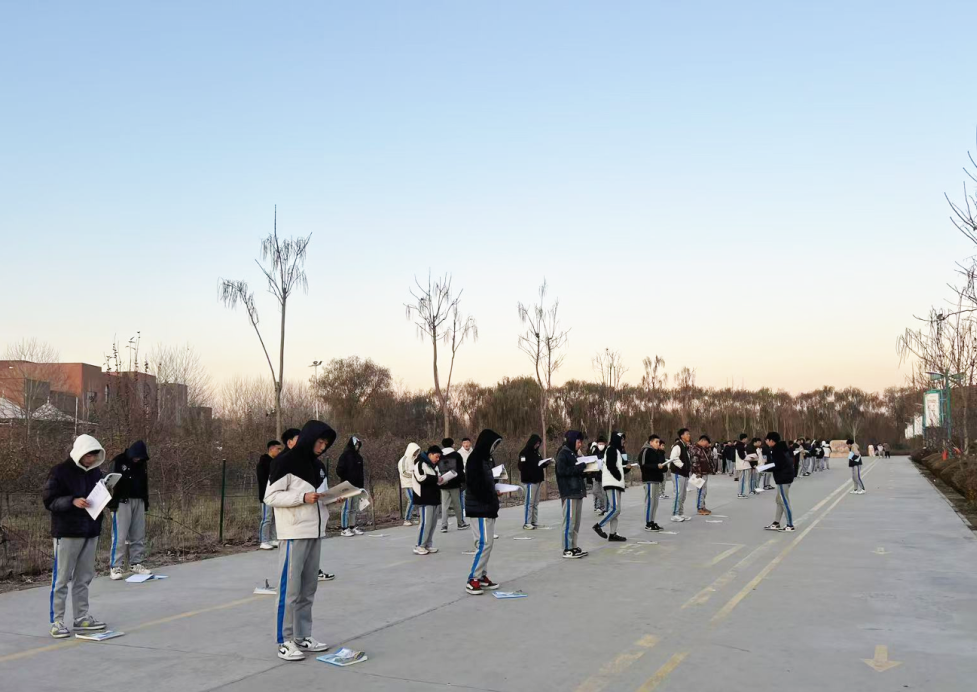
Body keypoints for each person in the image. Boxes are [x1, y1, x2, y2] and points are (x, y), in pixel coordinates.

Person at [264, 419, 336, 661]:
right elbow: (270, 497)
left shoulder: (317, 466)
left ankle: (303, 635)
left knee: (308, 588)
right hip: (294, 533)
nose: (323, 446)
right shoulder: (285, 462)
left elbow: (318, 496)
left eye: (326, 443)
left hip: (315, 531)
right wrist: (302, 497)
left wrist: (333, 498)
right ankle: (284, 640)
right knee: (290, 590)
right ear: (309, 437)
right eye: (320, 441)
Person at [43, 434, 109, 639]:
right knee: (62, 577)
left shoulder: (96, 473)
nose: (92, 459)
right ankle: (57, 621)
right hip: (67, 532)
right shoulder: (59, 472)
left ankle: (81, 617)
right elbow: (49, 501)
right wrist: (72, 501)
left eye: (95, 455)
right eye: (89, 455)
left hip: (90, 530)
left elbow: (98, 497)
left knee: (84, 577)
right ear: (80, 453)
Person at [464, 429, 504, 594]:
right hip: (480, 507)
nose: (494, 448)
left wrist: (495, 488)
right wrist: (491, 492)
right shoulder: (475, 459)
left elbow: (487, 481)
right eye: (493, 445)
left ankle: (481, 575)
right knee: (484, 543)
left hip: (487, 506)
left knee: (486, 544)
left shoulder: (486, 459)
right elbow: (475, 485)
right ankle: (472, 578)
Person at [107, 440, 153, 579]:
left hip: (138, 500)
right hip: (122, 502)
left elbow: (144, 484)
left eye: (141, 457)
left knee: (138, 535)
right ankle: (115, 567)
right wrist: (112, 502)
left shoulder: (142, 464)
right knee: (119, 536)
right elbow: (109, 483)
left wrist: (145, 502)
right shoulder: (118, 461)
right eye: (137, 457)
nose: (138, 459)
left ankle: (136, 563)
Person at [556, 430, 588, 558]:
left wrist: (586, 470)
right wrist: (580, 468)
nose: (580, 444)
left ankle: (574, 546)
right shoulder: (563, 454)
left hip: (577, 491)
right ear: (572, 440)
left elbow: (576, 472)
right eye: (578, 442)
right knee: (569, 522)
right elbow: (562, 471)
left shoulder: (574, 454)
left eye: (581, 442)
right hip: (569, 492)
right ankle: (567, 548)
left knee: (576, 522)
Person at [593, 431, 628, 542]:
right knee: (616, 509)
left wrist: (626, 468)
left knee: (615, 511)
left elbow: (619, 467)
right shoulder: (612, 449)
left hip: (616, 483)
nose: (623, 441)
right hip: (612, 483)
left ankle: (613, 534)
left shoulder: (617, 450)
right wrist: (618, 477)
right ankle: (599, 525)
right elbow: (611, 466)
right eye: (622, 439)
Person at [763, 432, 796, 532]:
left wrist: (764, 468)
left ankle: (790, 525)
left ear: (772, 441)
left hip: (783, 478)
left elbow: (777, 465)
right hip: (785, 476)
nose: (766, 441)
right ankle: (776, 523)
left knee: (784, 501)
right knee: (779, 500)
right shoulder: (781, 448)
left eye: (767, 440)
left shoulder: (777, 450)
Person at [413, 446, 442, 555]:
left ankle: (428, 544)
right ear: (430, 454)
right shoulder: (420, 463)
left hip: (434, 497)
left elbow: (436, 478)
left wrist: (441, 480)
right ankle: (419, 545)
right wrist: (436, 479)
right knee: (425, 523)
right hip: (424, 498)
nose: (438, 459)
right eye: (436, 456)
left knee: (433, 523)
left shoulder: (434, 466)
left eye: (439, 457)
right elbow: (420, 478)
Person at [311, 455, 336, 583]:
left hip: (319, 511)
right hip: (303, 517)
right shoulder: (292, 464)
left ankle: (315, 571)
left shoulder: (320, 465)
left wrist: (334, 499)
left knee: (316, 543)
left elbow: (324, 489)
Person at [257, 440, 283, 550]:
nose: (280, 451)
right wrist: (265, 495)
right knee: (266, 518)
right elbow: (263, 481)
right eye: (278, 449)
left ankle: (273, 539)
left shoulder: (276, 462)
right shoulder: (263, 463)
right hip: (266, 496)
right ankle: (264, 541)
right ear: (271, 449)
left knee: (274, 518)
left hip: (275, 495)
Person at [336, 437, 365, 537]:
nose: (357, 447)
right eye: (355, 445)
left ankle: (352, 526)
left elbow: (361, 473)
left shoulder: (359, 457)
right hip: (347, 486)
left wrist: (361, 487)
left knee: (354, 508)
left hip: (357, 487)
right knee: (346, 508)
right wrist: (346, 479)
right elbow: (339, 470)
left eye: (358, 445)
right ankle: (344, 528)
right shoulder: (345, 456)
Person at [438, 438, 468, 532]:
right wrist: (463, 481)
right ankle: (460, 523)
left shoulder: (440, 455)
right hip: (455, 484)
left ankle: (444, 526)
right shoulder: (457, 455)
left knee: (445, 505)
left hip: (443, 483)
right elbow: (460, 469)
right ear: (452, 444)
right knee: (457, 504)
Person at [638, 435, 665, 532]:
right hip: (649, 480)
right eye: (656, 442)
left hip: (656, 480)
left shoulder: (657, 452)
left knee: (655, 503)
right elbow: (643, 465)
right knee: (650, 502)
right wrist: (656, 466)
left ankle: (652, 521)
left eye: (659, 442)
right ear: (650, 442)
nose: (658, 444)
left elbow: (661, 464)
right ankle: (648, 523)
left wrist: (662, 466)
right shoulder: (646, 451)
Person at [517, 433, 544, 530]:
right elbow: (521, 466)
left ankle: (534, 521)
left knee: (536, 503)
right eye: (536, 443)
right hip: (529, 481)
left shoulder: (537, 453)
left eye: (539, 444)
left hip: (538, 480)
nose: (537, 445)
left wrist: (546, 463)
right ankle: (527, 522)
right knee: (529, 503)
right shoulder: (524, 452)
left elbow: (540, 463)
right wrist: (531, 468)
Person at [668, 429, 692, 522]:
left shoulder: (685, 446)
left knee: (683, 494)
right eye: (687, 434)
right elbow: (673, 458)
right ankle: (675, 514)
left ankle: (680, 513)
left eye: (689, 434)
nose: (689, 435)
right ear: (682, 436)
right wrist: (683, 466)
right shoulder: (677, 445)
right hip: (678, 473)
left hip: (684, 473)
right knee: (678, 493)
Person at [398, 443, 421, 526]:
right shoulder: (404, 459)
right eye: (415, 451)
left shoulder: (415, 459)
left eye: (417, 451)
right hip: (407, 483)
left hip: (415, 483)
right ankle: (406, 519)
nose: (416, 452)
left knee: (415, 500)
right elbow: (403, 472)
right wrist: (414, 475)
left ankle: (412, 517)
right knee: (411, 500)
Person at [691, 434, 714, 515]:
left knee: (704, 491)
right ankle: (699, 507)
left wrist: (708, 448)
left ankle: (702, 506)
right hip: (699, 474)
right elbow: (695, 462)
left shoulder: (703, 449)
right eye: (706, 443)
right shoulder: (696, 449)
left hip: (704, 472)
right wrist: (698, 473)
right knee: (700, 491)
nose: (707, 445)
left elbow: (709, 458)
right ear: (702, 441)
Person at [589, 437, 608, 515]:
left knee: (604, 492)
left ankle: (606, 508)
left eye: (602, 444)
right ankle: (606, 503)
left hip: (604, 475)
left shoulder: (607, 451)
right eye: (599, 444)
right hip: (596, 475)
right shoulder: (595, 452)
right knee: (595, 491)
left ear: (605, 444)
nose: (601, 445)